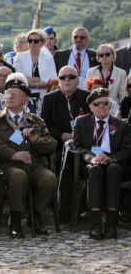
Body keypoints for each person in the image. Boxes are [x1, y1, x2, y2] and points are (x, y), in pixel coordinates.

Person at [0, 78, 57, 238]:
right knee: (19, 176)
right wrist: (12, 153)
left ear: (25, 100)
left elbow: (52, 144)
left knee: (50, 179)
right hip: (8, 165)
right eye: (8, 93)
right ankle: (16, 219)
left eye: (15, 94)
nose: (10, 97)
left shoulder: (36, 121)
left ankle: (35, 216)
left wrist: (36, 140)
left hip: (33, 164)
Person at [72, 88, 131, 240]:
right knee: (96, 170)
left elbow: (126, 150)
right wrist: (91, 157)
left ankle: (111, 224)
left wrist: (112, 158)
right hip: (91, 161)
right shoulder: (82, 122)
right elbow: (76, 146)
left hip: (113, 161)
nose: (101, 107)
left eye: (105, 103)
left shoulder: (121, 125)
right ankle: (96, 223)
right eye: (97, 104)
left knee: (113, 170)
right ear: (90, 107)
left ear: (111, 105)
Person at [40, 66, 90, 147]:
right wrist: (61, 135)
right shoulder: (48, 98)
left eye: (71, 77)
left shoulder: (88, 97)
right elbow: (44, 125)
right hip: (58, 144)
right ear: (59, 81)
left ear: (78, 80)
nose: (67, 80)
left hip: (85, 143)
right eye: (62, 77)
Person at [12, 29, 57, 100]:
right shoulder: (20, 56)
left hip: (44, 95)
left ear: (42, 43)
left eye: (35, 41)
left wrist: (33, 85)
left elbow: (52, 79)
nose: (32, 43)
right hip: (23, 95)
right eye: (30, 41)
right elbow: (17, 76)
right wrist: (39, 79)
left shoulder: (48, 58)